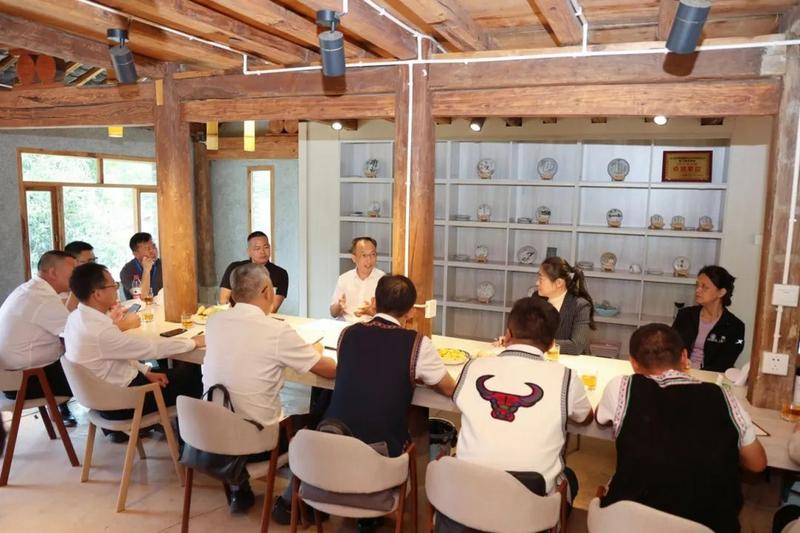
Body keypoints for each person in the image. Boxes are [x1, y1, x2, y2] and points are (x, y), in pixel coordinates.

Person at [441, 297, 592, 531]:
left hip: (465, 500)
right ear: (551, 344)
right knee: (569, 477)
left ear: (508, 334)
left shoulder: (473, 367)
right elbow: (585, 417)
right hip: (528, 509)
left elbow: (457, 398)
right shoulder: (566, 377)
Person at [597, 323, 766, 533]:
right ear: (685, 357)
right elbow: (757, 463)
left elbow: (600, 418)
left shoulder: (622, 387)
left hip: (632, 523)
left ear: (633, 363)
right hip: (709, 525)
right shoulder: (722, 395)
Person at [203, 263, 336, 513]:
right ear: (266, 291)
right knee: (322, 417)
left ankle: (239, 488)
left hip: (209, 436)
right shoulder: (275, 330)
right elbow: (328, 370)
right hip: (255, 444)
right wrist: (314, 350)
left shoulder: (214, 322)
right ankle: (290, 503)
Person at [64, 263, 204, 442]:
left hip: (100, 398)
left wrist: (146, 371)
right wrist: (193, 342)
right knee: (194, 380)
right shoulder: (100, 331)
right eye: (113, 285)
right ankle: (192, 444)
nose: (116, 289)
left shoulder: (75, 318)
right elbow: (151, 349)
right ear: (97, 294)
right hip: (123, 403)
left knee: (180, 374)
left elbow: (119, 353)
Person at [0, 251, 78, 426]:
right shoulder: (42, 298)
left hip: (11, 379)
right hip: (27, 381)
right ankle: (120, 422)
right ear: (52, 272)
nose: (77, 274)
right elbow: (79, 333)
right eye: (73, 269)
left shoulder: (29, 290)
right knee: (95, 370)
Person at [672, 265, 745, 371]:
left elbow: (726, 362)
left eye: (704, 287)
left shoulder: (736, 326)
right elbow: (670, 346)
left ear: (721, 292)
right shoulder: (685, 315)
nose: (698, 290)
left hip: (711, 376)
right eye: (697, 285)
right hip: (681, 372)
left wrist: (698, 373)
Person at [532, 256, 596, 355]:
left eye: (541, 279)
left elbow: (576, 346)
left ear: (559, 283)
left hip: (570, 362)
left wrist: (540, 344)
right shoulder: (536, 298)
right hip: (541, 358)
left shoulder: (580, 306)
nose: (537, 283)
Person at [218, 231, 289, 312]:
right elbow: (223, 300)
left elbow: (273, 308)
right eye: (257, 248)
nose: (262, 251)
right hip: (235, 316)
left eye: (266, 247)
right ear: (249, 252)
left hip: (263, 318)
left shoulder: (281, 273)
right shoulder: (235, 268)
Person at [330, 237, 385, 322]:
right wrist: (339, 306)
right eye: (364, 255)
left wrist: (373, 313)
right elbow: (333, 313)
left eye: (373, 254)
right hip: (346, 325)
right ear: (354, 258)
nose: (369, 260)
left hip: (371, 326)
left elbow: (389, 316)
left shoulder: (384, 280)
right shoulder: (344, 278)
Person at [120, 232, 162, 300]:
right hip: (138, 306)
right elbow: (142, 296)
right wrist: (146, 270)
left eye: (154, 246)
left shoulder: (162, 264)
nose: (153, 251)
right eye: (147, 249)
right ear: (135, 254)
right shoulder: (126, 271)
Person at [64, 241, 96, 310]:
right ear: (72, 262)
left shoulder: (94, 280)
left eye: (94, 260)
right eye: (89, 261)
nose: (94, 266)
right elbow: (67, 313)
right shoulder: (62, 287)